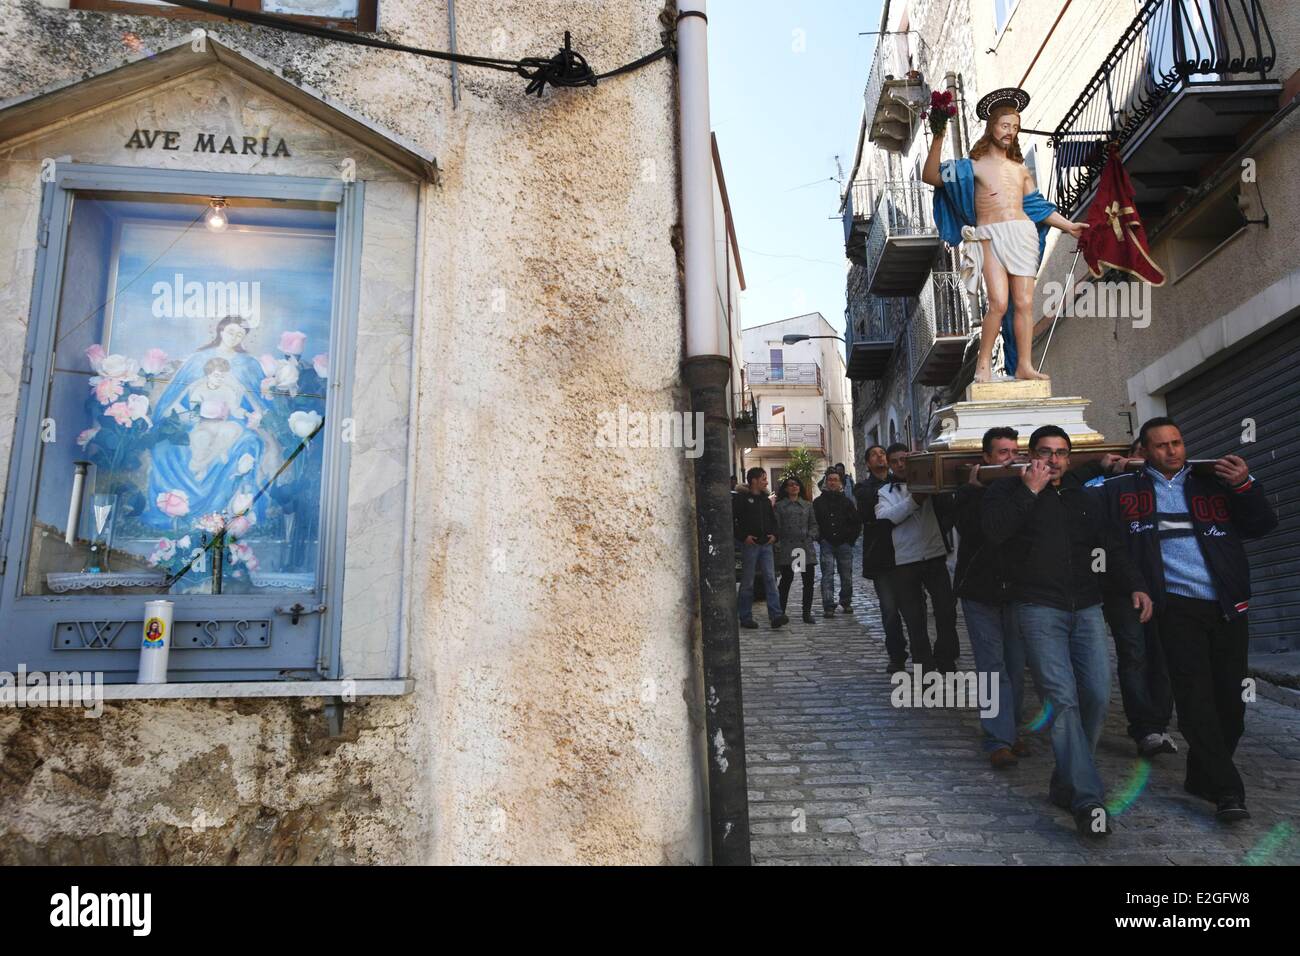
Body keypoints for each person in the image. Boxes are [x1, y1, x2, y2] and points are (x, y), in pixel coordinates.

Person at [1086, 418, 1277, 823]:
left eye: (1176, 442)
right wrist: (1135, 584)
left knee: (1231, 705)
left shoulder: (1214, 481)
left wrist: (1245, 484)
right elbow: (1109, 542)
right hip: (1175, 608)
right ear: (1144, 451)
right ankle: (1228, 791)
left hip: (1227, 606)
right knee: (1195, 702)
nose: (1171, 451)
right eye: (1160, 445)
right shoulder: (1122, 490)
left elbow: (1262, 524)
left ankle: (1201, 774)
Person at [982, 425, 1152, 838]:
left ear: (1069, 458)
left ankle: (1066, 781)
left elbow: (1110, 545)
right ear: (1030, 454)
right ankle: (1088, 799)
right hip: (1038, 609)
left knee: (1096, 695)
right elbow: (993, 534)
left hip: (1087, 609)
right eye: (1045, 452)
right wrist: (1029, 491)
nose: (1053, 460)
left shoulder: (1084, 498)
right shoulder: (1005, 492)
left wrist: (1136, 584)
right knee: (1062, 699)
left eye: (1061, 453)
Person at [922, 87, 1088, 382]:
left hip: (1021, 234)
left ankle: (1024, 365)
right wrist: (938, 133)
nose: (1010, 131)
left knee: (1023, 303)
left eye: (1015, 127)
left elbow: (1036, 206)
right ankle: (983, 365)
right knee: (998, 302)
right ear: (991, 127)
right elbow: (931, 176)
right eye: (1004, 125)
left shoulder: (1020, 170)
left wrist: (1069, 226)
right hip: (990, 236)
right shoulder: (970, 167)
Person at [1072, 438, 1178, 760]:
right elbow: (1079, 502)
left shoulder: (1166, 488)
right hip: (1119, 586)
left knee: (1164, 657)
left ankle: (1159, 724)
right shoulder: (1105, 487)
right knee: (1133, 653)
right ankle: (1144, 728)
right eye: (1140, 455)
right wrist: (1109, 475)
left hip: (1164, 584)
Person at [954, 427, 1031, 768]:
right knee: (992, 666)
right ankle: (998, 738)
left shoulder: (1026, 490)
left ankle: (1013, 730)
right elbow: (979, 531)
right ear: (986, 458)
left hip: (1017, 589)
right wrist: (975, 490)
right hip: (979, 591)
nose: (1010, 458)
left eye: (1015, 451)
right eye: (1003, 453)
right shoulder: (967, 494)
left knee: (1016, 665)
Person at [874, 444, 960, 674]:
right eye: (895, 462)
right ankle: (924, 664)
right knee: (914, 618)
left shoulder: (930, 485)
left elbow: (949, 506)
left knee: (946, 611)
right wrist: (915, 500)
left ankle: (946, 658)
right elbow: (886, 518)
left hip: (934, 556)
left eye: (905, 460)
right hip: (904, 561)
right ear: (890, 465)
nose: (901, 465)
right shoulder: (885, 492)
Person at [733, 467, 788, 630]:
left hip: (766, 545)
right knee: (748, 581)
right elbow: (733, 521)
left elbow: (772, 521)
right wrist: (744, 537)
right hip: (750, 545)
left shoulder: (765, 500)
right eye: (763, 478)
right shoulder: (741, 500)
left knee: (770, 579)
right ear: (754, 481)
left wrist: (774, 535)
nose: (766, 481)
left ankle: (776, 615)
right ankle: (745, 616)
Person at [813, 471, 860, 617]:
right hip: (827, 543)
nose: (832, 482)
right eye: (830, 480)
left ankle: (846, 601)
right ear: (826, 482)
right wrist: (820, 538)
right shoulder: (818, 502)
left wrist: (850, 539)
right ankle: (828, 605)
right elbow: (814, 522)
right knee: (827, 574)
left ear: (840, 483)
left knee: (846, 575)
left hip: (844, 544)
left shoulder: (847, 502)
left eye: (835, 480)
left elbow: (856, 523)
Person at [775, 476, 819, 624]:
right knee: (786, 580)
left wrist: (811, 535)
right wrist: (779, 542)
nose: (794, 487)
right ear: (786, 489)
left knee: (808, 581)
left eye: (796, 485)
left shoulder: (807, 505)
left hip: (804, 546)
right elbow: (777, 526)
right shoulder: (780, 506)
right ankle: (780, 612)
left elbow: (814, 524)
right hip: (788, 547)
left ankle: (806, 613)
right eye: (790, 485)